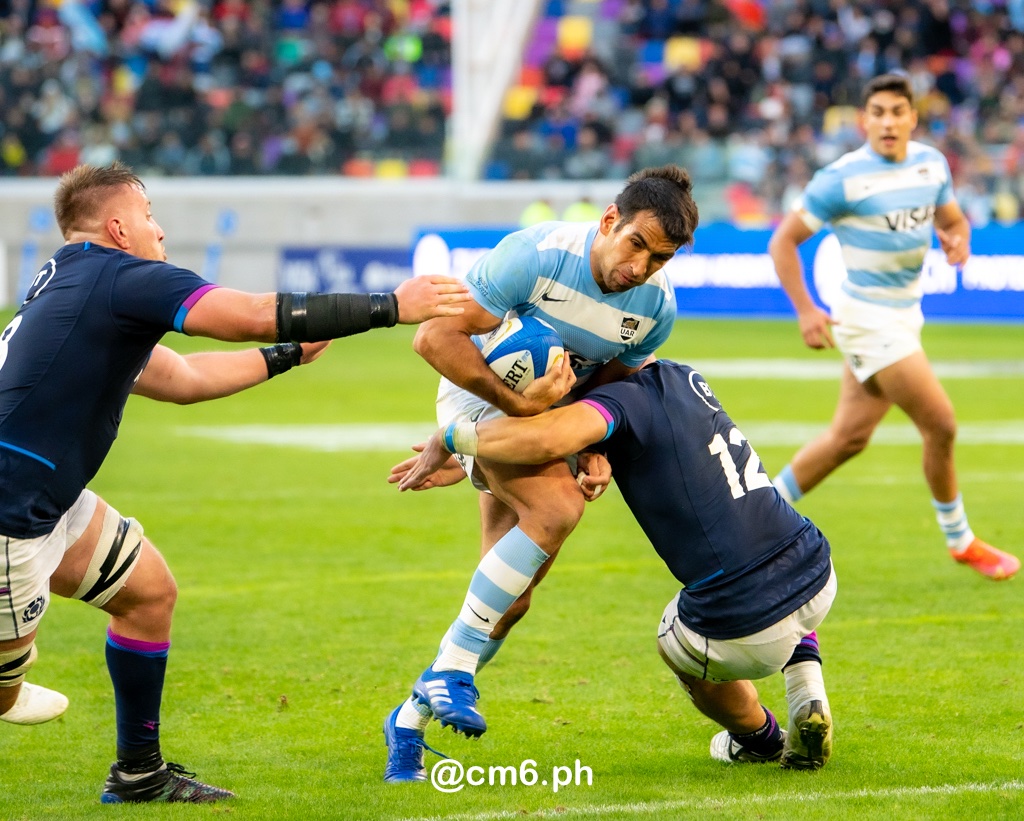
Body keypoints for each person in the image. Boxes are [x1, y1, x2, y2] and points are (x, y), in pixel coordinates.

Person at [0, 162, 469, 803]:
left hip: (44, 500)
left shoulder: (76, 284)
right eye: (148, 217)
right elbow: (246, 313)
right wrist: (391, 306)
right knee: (2, 696)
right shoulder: (117, 276)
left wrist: (286, 355)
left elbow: (183, 381)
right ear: (117, 226)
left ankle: (138, 773)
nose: (159, 231)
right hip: (11, 511)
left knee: (148, 593)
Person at [382, 165, 700, 776]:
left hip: (547, 417)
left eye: (658, 259)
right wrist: (516, 410)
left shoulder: (656, 309)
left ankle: (409, 719)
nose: (639, 268)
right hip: (480, 398)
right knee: (557, 509)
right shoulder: (535, 255)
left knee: (513, 601)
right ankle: (451, 674)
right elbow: (433, 339)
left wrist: (592, 449)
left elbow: (609, 384)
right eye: (635, 245)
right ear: (610, 220)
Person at [390, 359, 836, 779]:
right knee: (511, 600)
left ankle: (758, 738)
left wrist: (453, 440)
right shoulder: (684, 377)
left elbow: (550, 438)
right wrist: (483, 463)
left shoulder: (619, 400)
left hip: (743, 625)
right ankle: (805, 686)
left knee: (675, 637)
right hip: (816, 569)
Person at [767, 73, 1019, 582]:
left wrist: (958, 241)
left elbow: (952, 221)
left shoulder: (931, 165)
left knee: (847, 439)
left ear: (912, 118)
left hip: (906, 314)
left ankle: (753, 513)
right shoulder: (840, 178)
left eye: (897, 112)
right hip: (866, 319)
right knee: (942, 423)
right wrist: (806, 310)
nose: (887, 121)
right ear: (864, 120)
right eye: (877, 112)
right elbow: (782, 242)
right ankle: (961, 540)